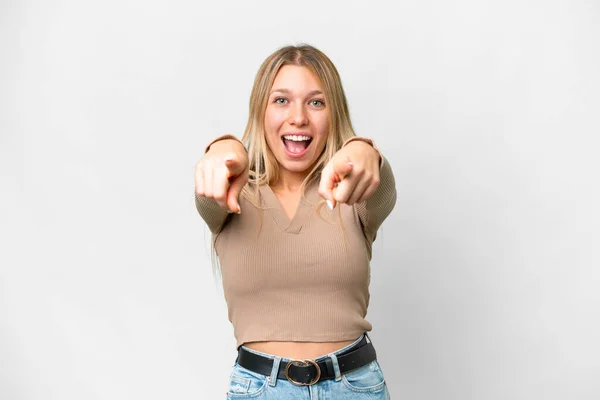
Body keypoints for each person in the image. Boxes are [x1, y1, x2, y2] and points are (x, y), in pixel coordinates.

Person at [194, 44, 396, 399]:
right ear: (260, 111)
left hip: (354, 387)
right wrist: (223, 147)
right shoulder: (232, 194)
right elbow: (209, 189)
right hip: (259, 389)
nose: (299, 117)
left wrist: (367, 151)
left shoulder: (349, 191)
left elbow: (378, 184)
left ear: (333, 113)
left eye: (316, 102)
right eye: (281, 100)